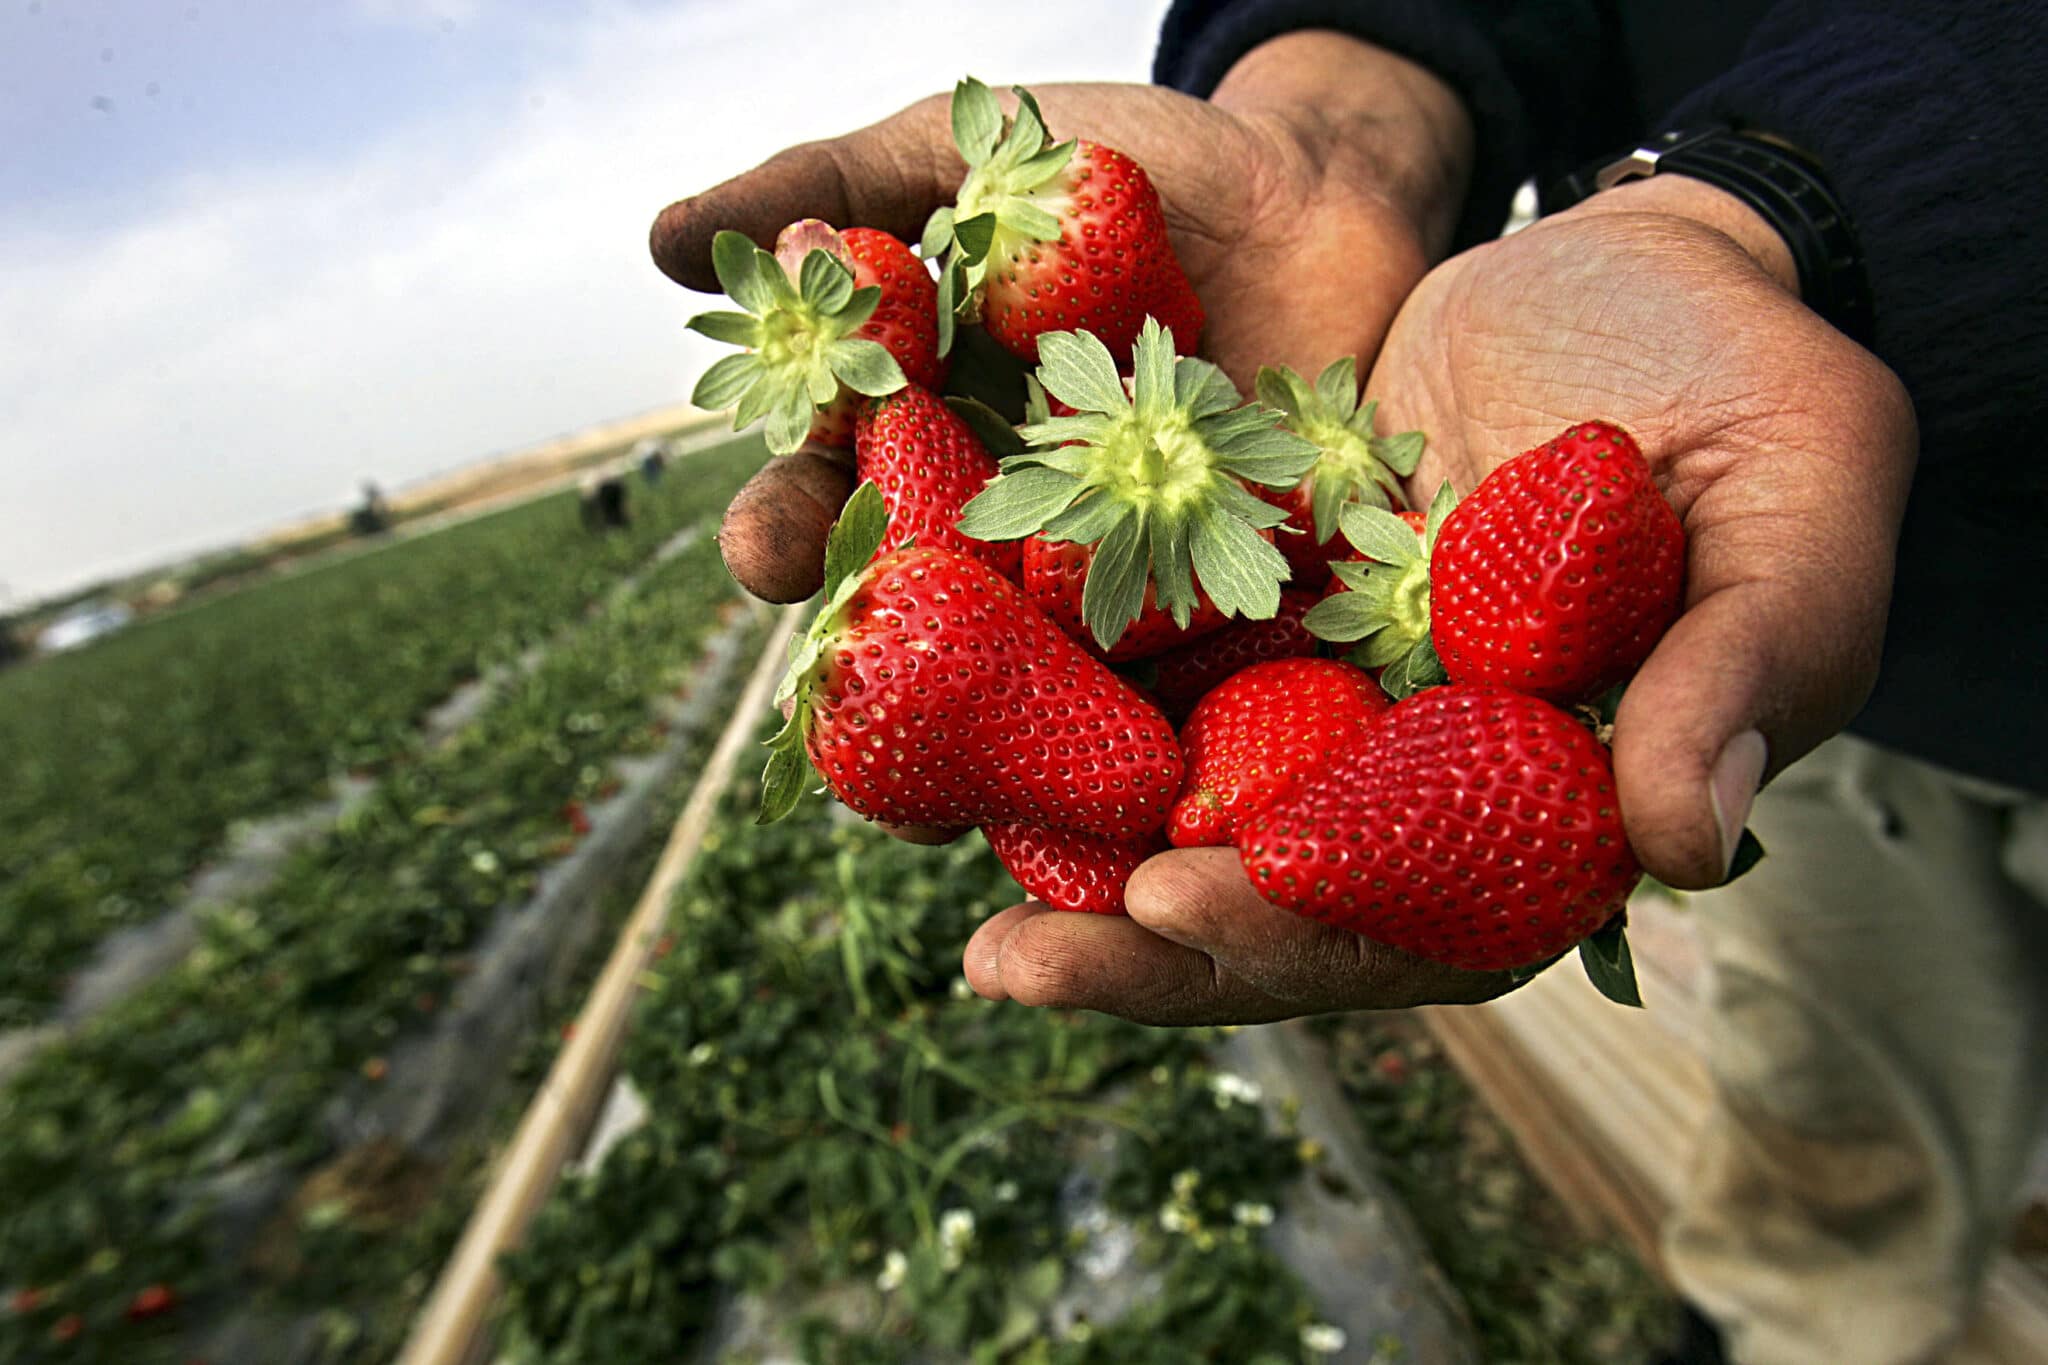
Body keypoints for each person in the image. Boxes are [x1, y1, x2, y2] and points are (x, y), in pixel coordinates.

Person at [648, 4, 2048, 1360]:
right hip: (1839, 690)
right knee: (1840, 1103)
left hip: (1800, 479)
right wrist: (1336, 125)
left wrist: (1776, 202)